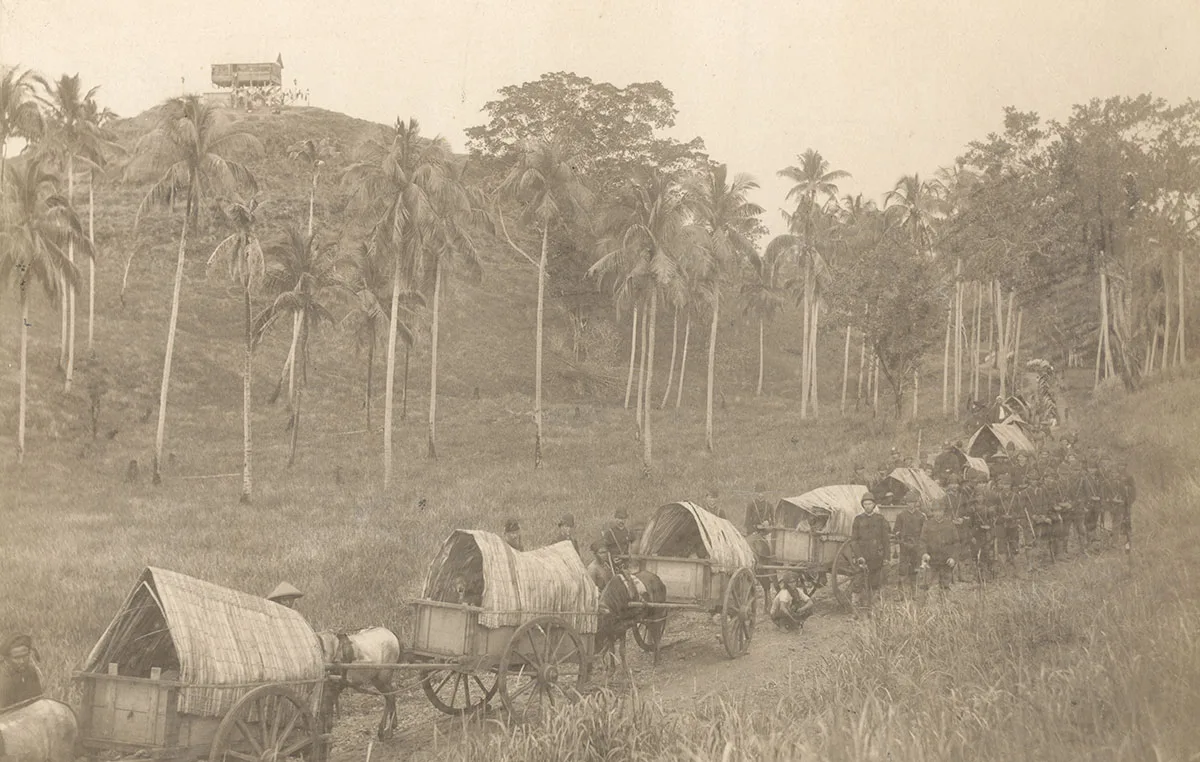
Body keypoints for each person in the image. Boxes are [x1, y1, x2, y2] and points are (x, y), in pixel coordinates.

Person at [851, 494, 891, 606]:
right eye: (865, 504)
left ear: (874, 505)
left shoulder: (880, 519)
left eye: (870, 504)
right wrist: (859, 556)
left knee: (875, 582)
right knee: (858, 582)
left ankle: (874, 606)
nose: (867, 506)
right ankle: (856, 607)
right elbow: (854, 540)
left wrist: (886, 557)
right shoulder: (858, 519)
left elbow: (885, 540)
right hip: (862, 557)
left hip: (876, 556)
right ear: (862, 505)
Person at [892, 493, 925, 597]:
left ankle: (914, 593)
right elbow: (896, 529)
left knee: (914, 569)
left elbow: (924, 532)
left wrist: (919, 543)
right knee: (902, 569)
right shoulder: (901, 516)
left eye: (913, 502)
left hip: (916, 546)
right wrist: (898, 534)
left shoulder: (921, 516)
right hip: (904, 545)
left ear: (916, 503)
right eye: (909, 502)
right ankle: (900, 594)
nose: (911, 505)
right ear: (906, 503)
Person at [0, 634, 44, 710]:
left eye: (25, 656)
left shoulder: (30, 671)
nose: (22, 661)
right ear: (7, 659)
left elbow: (38, 700)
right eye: (16, 658)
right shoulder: (3, 680)